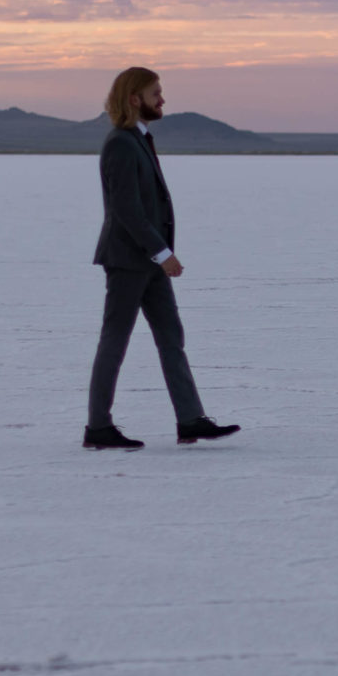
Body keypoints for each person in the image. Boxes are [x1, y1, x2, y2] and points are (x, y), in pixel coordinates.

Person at [84, 67, 240, 450]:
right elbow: (126, 209)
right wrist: (163, 252)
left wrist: (159, 255)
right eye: (156, 93)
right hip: (128, 260)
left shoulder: (139, 138)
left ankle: (190, 420)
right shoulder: (121, 143)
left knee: (172, 337)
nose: (163, 100)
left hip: (149, 262)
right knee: (115, 341)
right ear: (134, 98)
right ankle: (97, 428)